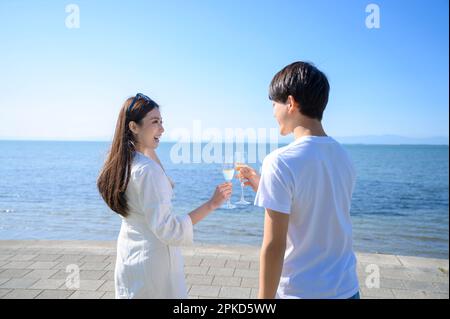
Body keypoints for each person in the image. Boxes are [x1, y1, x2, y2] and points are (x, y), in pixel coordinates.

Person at [239, 62, 360, 299]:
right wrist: (263, 185)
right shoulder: (344, 156)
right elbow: (318, 208)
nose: (273, 112)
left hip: (301, 291)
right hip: (347, 288)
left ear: (291, 103)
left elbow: (274, 247)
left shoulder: (280, 161)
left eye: (274, 104)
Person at [97, 93, 232, 298]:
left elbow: (156, 169)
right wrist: (211, 204)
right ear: (133, 127)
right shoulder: (146, 170)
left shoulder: (123, 163)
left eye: (162, 121)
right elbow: (169, 230)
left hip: (130, 254)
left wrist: (149, 142)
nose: (162, 129)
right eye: (155, 122)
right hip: (154, 264)